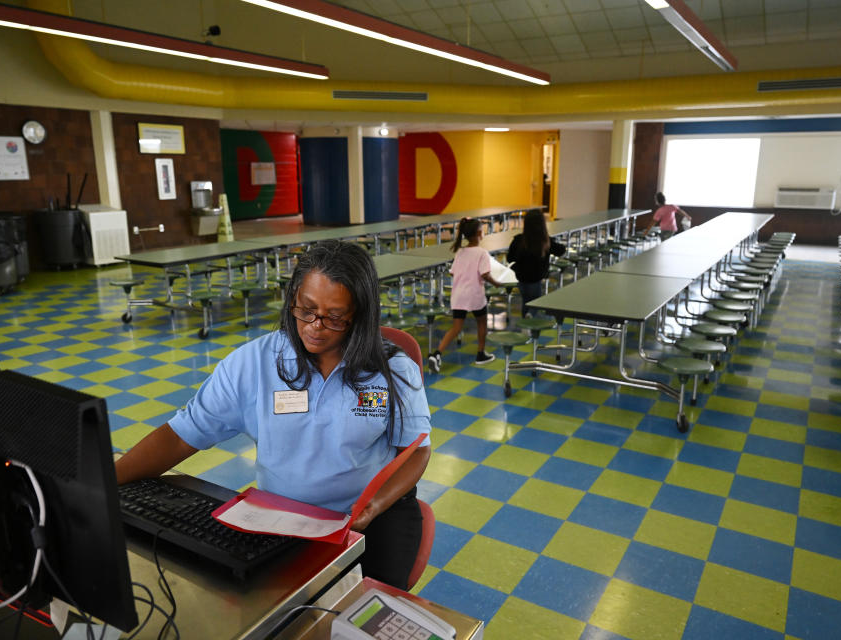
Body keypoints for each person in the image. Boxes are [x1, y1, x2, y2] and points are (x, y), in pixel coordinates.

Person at [114, 240, 431, 589]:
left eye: (335, 317)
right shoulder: (253, 363)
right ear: (292, 297)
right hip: (285, 516)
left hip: (373, 516)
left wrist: (374, 506)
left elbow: (416, 450)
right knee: (267, 606)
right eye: (306, 309)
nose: (315, 325)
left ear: (360, 314)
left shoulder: (392, 369)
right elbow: (180, 435)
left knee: (365, 610)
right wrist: (104, 481)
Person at [427, 218, 502, 373]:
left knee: (456, 327)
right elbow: (485, 274)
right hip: (474, 295)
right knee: (482, 322)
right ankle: (481, 354)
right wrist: (496, 283)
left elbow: (453, 272)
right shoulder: (482, 253)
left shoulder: (460, 252)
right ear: (480, 234)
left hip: (458, 295)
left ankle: (437, 354)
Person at [506, 209, 566, 316]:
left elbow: (509, 258)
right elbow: (561, 250)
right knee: (534, 303)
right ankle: (529, 317)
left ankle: (526, 321)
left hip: (521, 278)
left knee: (526, 300)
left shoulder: (518, 240)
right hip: (536, 278)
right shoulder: (545, 241)